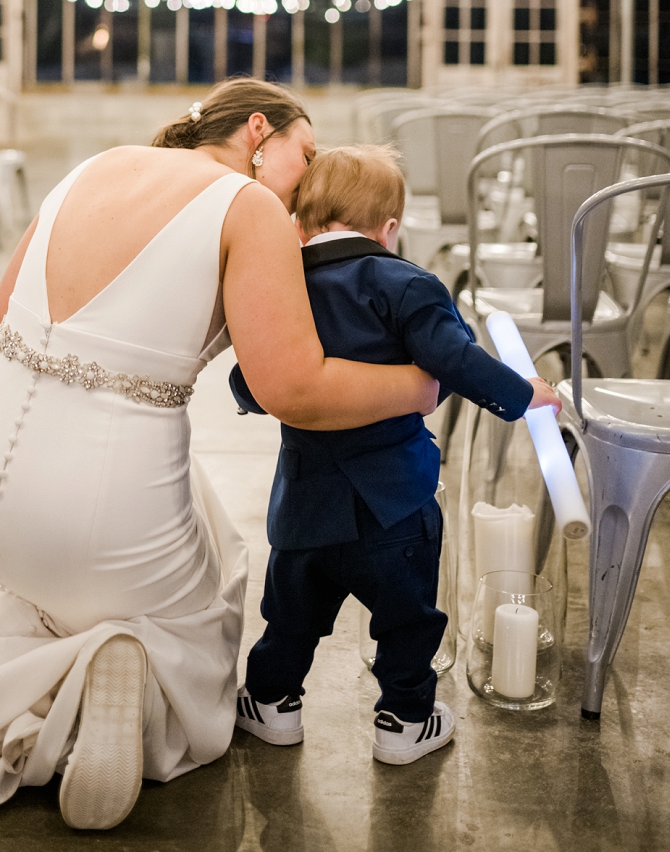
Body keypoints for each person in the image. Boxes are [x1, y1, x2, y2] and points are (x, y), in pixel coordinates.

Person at [0, 79, 442, 831]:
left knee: (137, 539)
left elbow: (0, 313)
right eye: (306, 155)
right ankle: (121, 669)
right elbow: (293, 389)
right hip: (95, 508)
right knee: (208, 613)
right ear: (259, 131)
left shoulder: (97, 164)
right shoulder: (249, 207)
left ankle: (79, 655)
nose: (311, 180)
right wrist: (421, 384)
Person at [227, 145, 560, 765]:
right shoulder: (409, 285)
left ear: (300, 223)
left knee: (291, 616)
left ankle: (272, 703)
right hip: (396, 504)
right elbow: (455, 360)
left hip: (305, 503)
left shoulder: (282, 289)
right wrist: (524, 394)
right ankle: (404, 722)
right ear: (389, 229)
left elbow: (252, 384)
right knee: (408, 620)